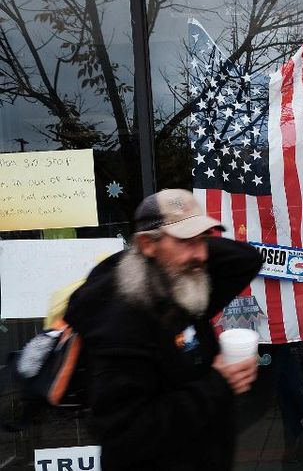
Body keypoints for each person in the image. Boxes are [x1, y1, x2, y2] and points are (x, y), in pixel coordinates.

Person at [65, 189, 263, 471]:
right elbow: (125, 434)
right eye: (187, 241)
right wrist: (219, 384)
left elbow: (246, 259)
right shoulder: (122, 320)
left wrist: (185, 247)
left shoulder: (182, 286)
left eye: (204, 240)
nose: (202, 255)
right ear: (147, 244)